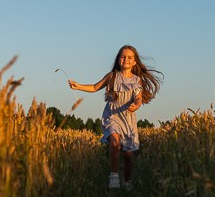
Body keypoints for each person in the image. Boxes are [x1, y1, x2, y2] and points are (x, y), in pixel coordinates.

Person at [68, 45, 162, 189]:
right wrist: (78, 86)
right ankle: (114, 177)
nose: (126, 60)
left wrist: (136, 105)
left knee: (128, 156)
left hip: (128, 119)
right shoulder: (111, 76)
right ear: (118, 59)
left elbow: (138, 98)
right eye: (123, 57)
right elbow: (94, 87)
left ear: (135, 62)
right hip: (112, 116)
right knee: (114, 143)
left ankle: (127, 181)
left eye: (130, 57)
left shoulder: (137, 81)